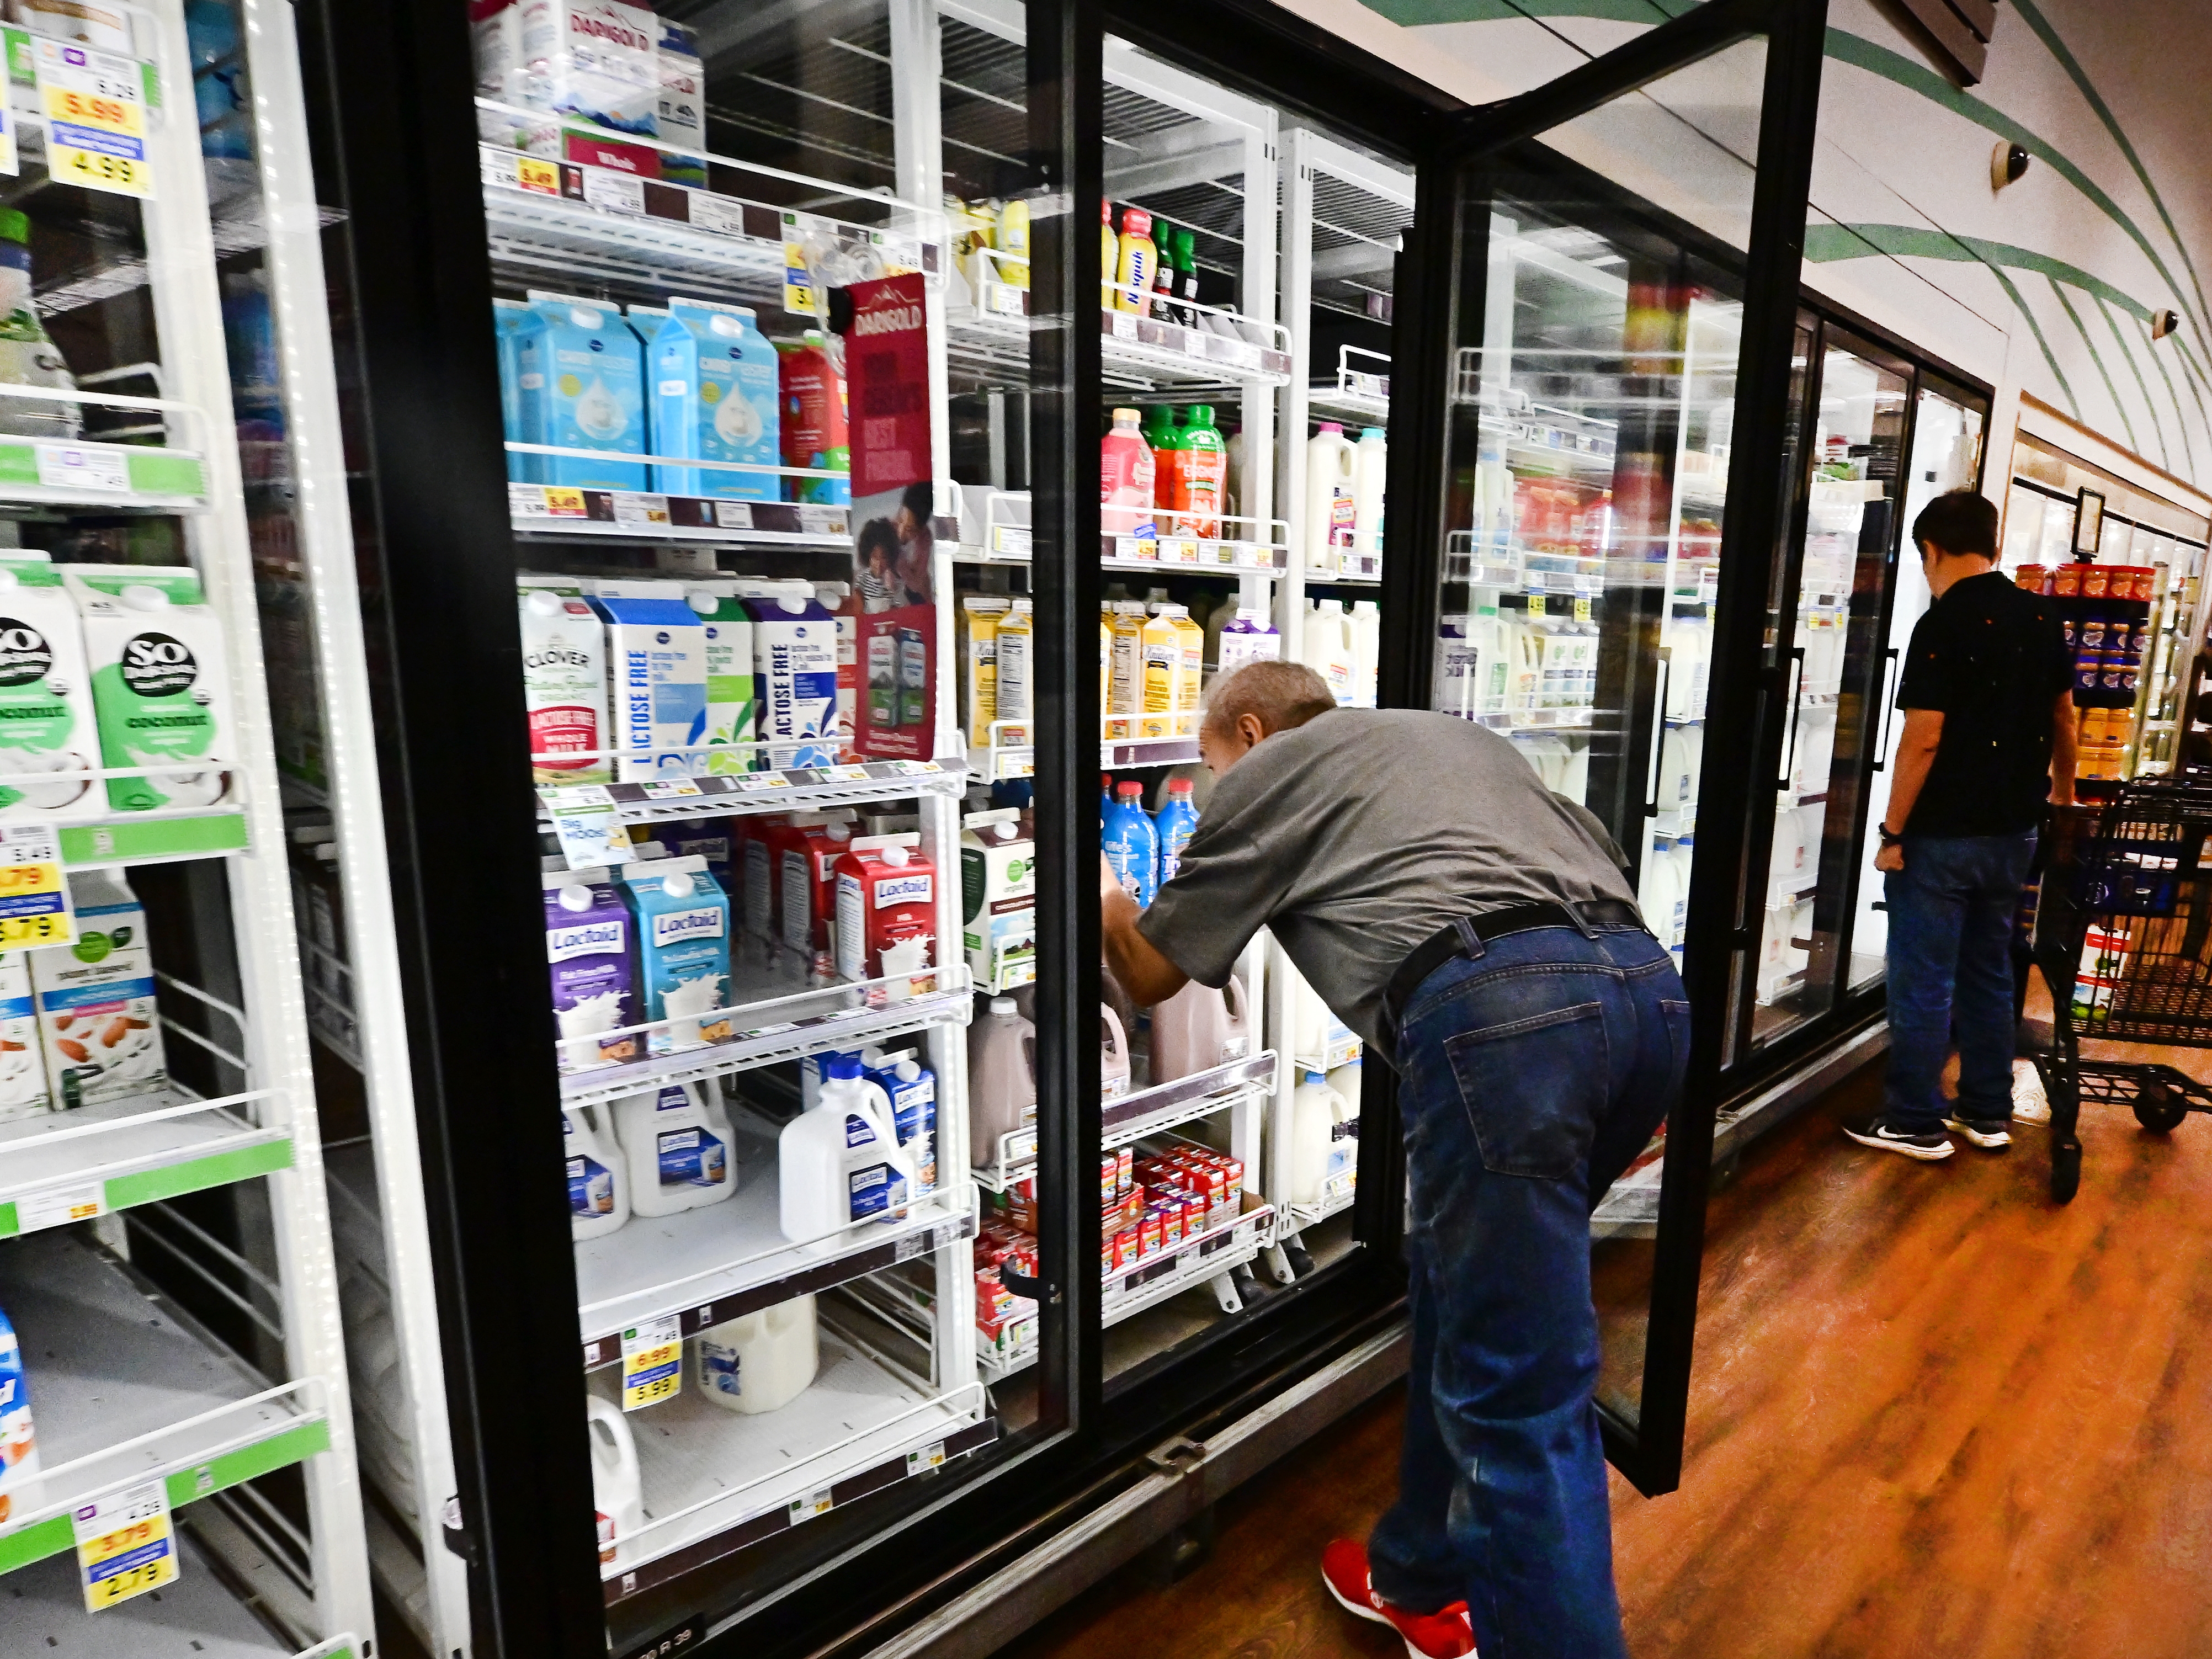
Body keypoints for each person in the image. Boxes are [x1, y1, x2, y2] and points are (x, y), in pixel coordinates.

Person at [1100, 661, 1688, 1659]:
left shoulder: (1271, 770)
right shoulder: (1452, 737)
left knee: (1520, 1397)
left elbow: (1153, 972)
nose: (1205, 790)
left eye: (1206, 767)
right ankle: (1417, 1574)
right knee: (1465, 1300)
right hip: (1644, 999)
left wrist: (1107, 890)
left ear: (1248, 731)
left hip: (1502, 1027)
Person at [1846, 489, 2076, 1160]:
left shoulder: (1940, 624)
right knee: (1989, 971)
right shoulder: (2040, 617)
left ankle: (1915, 1120)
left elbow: (1923, 737)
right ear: (1995, 547)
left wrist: (1892, 834)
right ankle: (1985, 1111)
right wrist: (2063, 796)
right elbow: (2064, 717)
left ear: (1932, 550)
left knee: (1922, 979)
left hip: (1943, 837)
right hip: (2014, 834)